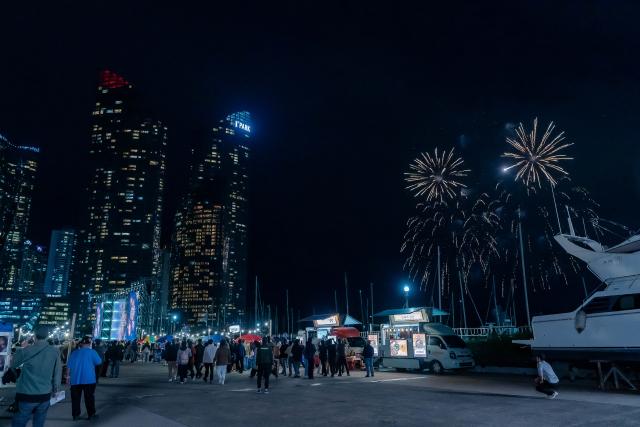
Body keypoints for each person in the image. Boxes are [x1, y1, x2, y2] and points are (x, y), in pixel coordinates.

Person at [10, 326, 62, 427]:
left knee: (19, 421)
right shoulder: (55, 352)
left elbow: (13, 364)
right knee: (39, 422)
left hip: (26, 393)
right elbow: (57, 372)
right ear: (47, 336)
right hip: (45, 394)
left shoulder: (27, 350)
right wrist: (56, 389)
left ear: (34, 336)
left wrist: (22, 349)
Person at [67, 336, 103, 421]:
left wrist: (67, 377)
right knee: (89, 398)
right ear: (89, 343)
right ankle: (91, 415)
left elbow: (68, 367)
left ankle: (76, 415)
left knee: (75, 398)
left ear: (81, 343)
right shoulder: (92, 352)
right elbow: (99, 362)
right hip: (89, 379)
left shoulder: (74, 353)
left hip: (75, 379)